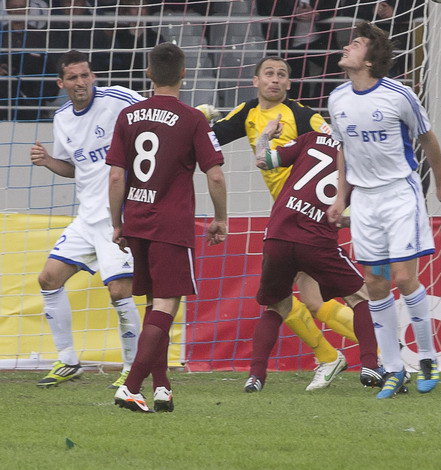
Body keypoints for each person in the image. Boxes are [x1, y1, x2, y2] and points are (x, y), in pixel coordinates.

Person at [208, 57, 358, 391]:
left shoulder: (304, 116)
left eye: (282, 75)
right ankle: (350, 355)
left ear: (289, 84)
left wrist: (340, 203)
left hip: (307, 215)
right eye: (269, 74)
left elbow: (341, 149)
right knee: (311, 301)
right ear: (255, 81)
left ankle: (360, 353)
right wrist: (196, 120)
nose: (275, 80)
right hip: (287, 216)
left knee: (284, 298)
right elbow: (210, 139)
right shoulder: (247, 113)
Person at [327, 21, 441, 399]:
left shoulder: (398, 96)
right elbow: (343, 150)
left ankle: (429, 357)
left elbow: (427, 137)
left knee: (403, 278)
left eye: (356, 44)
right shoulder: (338, 99)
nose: (347, 47)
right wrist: (341, 197)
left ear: (369, 60)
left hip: (400, 192)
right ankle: (394, 368)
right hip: (365, 200)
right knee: (374, 283)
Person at [107, 42, 227, 413]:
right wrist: (221, 218)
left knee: (151, 303)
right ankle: (131, 386)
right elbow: (216, 176)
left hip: (137, 221)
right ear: (184, 74)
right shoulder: (193, 119)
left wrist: (118, 223)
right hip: (171, 225)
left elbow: (115, 177)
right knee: (166, 304)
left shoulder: (127, 116)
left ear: (148, 73)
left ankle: (161, 386)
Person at [244, 115, 382, 391]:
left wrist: (266, 135)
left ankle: (256, 376)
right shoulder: (365, 159)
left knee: (279, 305)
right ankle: (372, 364)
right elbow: (358, 215)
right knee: (360, 296)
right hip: (316, 239)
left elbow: (263, 160)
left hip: (278, 234)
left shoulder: (310, 138)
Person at [30, 50, 142, 388]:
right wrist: (49, 160)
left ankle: (132, 368)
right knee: (48, 279)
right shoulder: (63, 117)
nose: (82, 83)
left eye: (86, 75)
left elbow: (155, 116)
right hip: (86, 217)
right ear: (61, 83)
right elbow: (73, 167)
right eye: (74, 78)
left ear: (93, 75)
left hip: (118, 215)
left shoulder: (118, 98)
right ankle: (67, 361)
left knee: (120, 291)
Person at [257, 0, 340, 104]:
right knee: (299, 77)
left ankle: (319, 105)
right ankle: (300, 110)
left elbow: (336, 5)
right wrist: (293, 13)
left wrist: (317, 13)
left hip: (319, 40)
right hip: (291, 42)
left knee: (335, 64)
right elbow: (272, 7)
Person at [339, 0, 423, 76]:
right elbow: (347, 9)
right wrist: (372, 10)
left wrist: (396, 13)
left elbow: (421, 9)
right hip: (367, 49)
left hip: (397, 50)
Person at [0, 0, 56, 120]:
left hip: (32, 97)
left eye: (22, 6)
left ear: (28, 9)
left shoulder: (40, 36)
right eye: (14, 7)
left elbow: (50, 69)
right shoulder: (1, 34)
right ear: (7, 9)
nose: (18, 10)